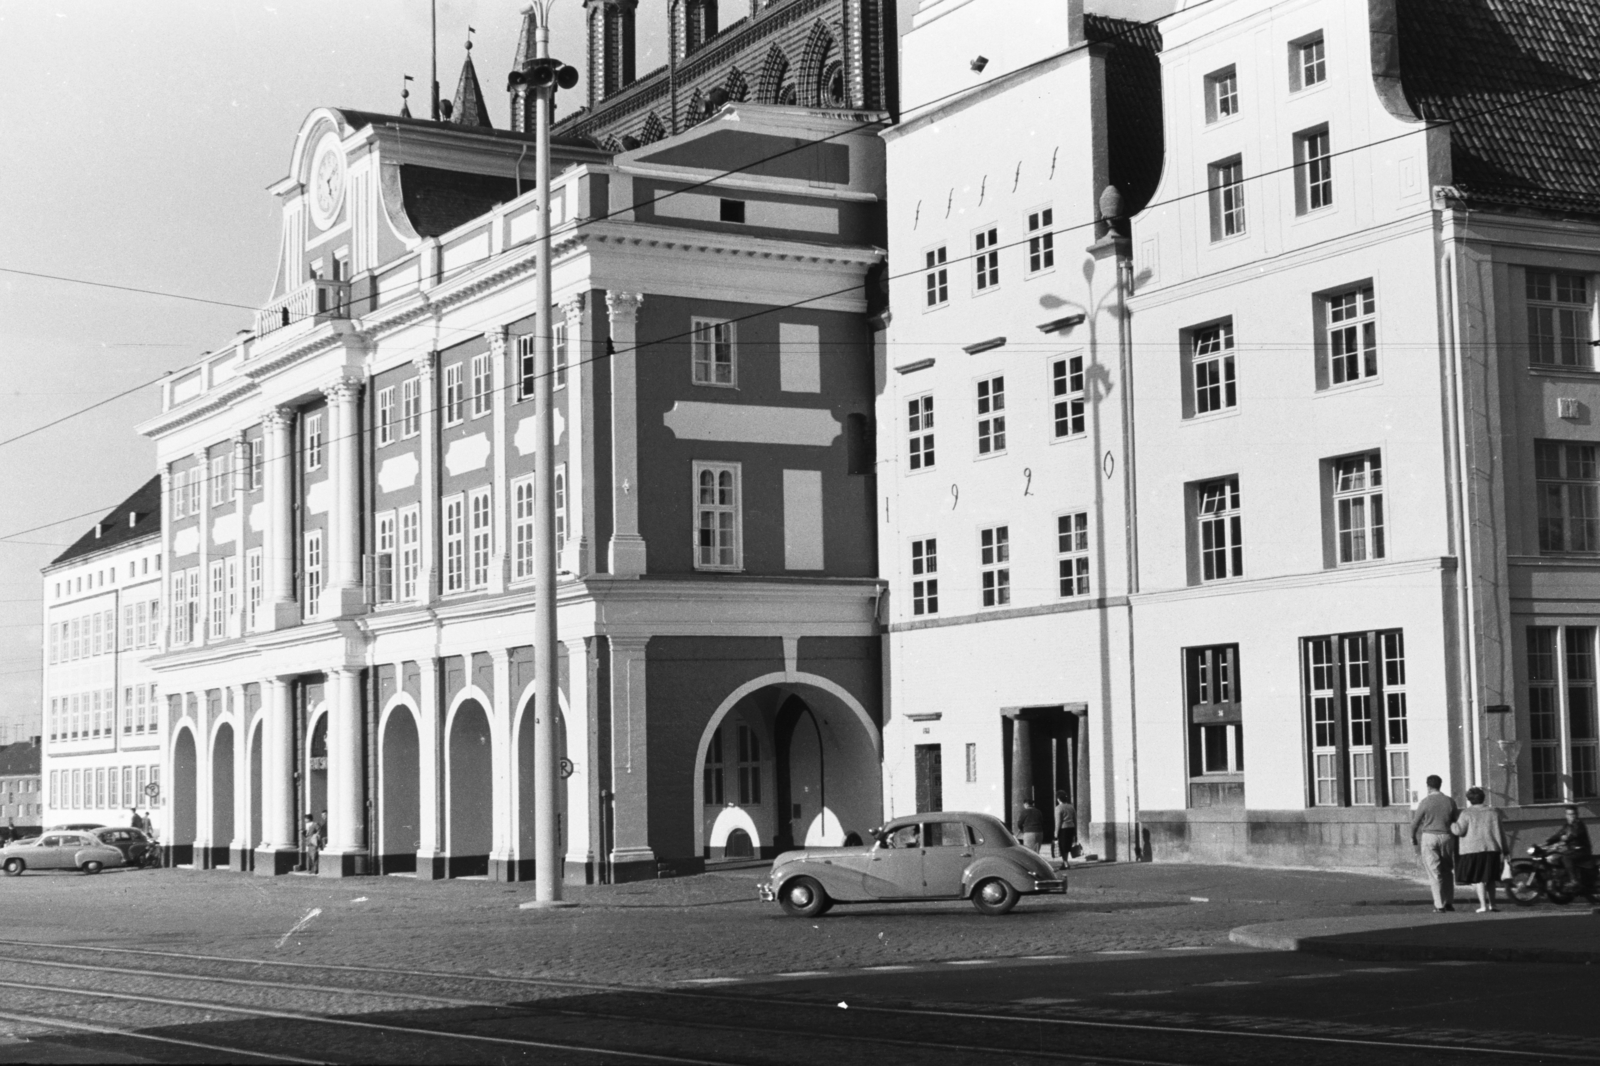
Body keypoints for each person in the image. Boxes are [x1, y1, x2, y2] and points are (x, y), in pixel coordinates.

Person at [1451, 786, 1506, 913]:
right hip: (1492, 848)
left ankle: (1483, 905)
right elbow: (1501, 832)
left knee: (1479, 878)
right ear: (1483, 798)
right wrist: (1505, 849)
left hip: (1473, 849)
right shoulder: (1493, 812)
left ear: (1469, 800)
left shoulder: (1466, 813)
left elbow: (1459, 831)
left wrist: (1452, 824)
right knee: (1491, 878)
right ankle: (1493, 904)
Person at [1411, 774, 1458, 912]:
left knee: (1434, 871)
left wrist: (1413, 837)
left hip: (1430, 836)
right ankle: (1449, 902)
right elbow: (1456, 819)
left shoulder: (1425, 802)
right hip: (1447, 836)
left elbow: (1415, 822)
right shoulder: (1449, 801)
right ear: (1440, 785)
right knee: (1447, 870)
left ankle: (1439, 905)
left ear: (1428, 786)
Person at [1545, 805, 1594, 901]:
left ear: (1577, 815)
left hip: (1581, 850)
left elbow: (1574, 834)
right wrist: (1548, 842)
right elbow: (1558, 835)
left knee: (1566, 857)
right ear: (1566, 815)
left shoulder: (1579, 825)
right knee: (1557, 856)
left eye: (1573, 814)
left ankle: (1574, 880)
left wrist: (1565, 839)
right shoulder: (1566, 826)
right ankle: (1560, 880)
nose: (1572, 816)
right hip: (1572, 850)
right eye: (1569, 814)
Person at [1054, 790, 1078, 863]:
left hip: (1063, 828)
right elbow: (1075, 819)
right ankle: (1066, 861)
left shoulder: (1058, 808)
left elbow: (1058, 821)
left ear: (1058, 799)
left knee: (1062, 846)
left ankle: (1065, 862)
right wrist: (1075, 830)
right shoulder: (1071, 807)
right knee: (1068, 845)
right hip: (1071, 827)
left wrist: (1056, 832)